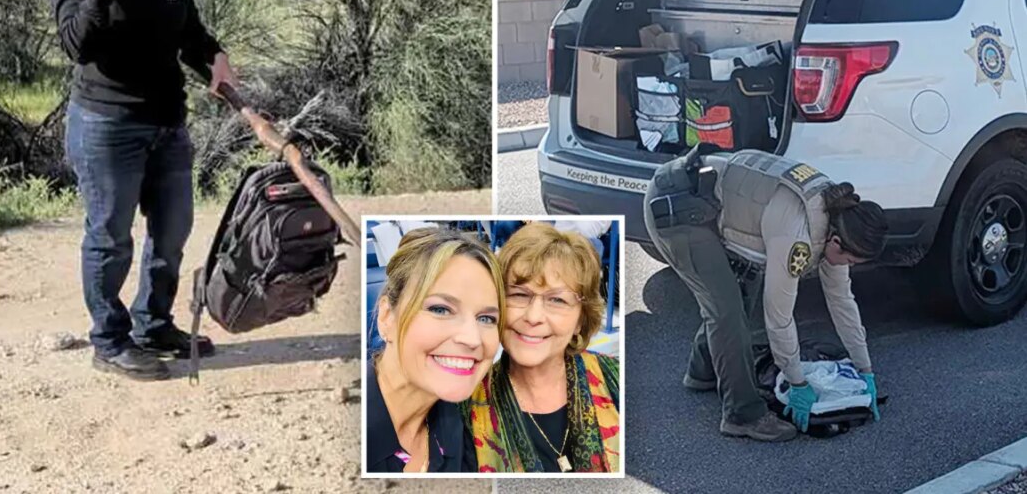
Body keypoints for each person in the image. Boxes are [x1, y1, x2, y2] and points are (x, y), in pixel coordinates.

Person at [51, 0, 239, 380]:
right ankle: (109, 341)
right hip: (107, 125)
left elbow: (189, 31)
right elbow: (76, 46)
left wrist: (215, 57)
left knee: (172, 229)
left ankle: (153, 324)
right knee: (110, 238)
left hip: (167, 120)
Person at [643, 147, 889, 441]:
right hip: (678, 207)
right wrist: (797, 384)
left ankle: (704, 371)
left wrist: (865, 369)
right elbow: (778, 317)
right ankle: (742, 415)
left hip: (702, 198)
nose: (848, 266)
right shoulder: (798, 234)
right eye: (850, 260)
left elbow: (842, 301)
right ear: (836, 242)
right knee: (726, 311)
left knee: (743, 289)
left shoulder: (838, 218)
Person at [466, 223, 620, 473]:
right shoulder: (463, 408)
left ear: (581, 319)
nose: (534, 316)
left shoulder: (615, 378)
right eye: (519, 295)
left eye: (557, 300)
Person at [367, 228, 505, 473]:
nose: (472, 339)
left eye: (486, 318)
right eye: (440, 309)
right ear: (387, 317)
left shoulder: (467, 431)